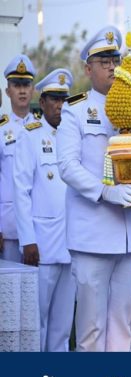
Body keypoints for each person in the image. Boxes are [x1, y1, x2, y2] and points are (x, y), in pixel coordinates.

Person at [58, 25, 131, 351]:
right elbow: (68, 166)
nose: (111, 66)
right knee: (91, 330)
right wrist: (105, 191)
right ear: (88, 67)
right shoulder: (76, 109)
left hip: (129, 233)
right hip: (93, 233)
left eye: (114, 59)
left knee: (124, 327)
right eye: (103, 60)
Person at [13, 68, 75, 351]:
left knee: (63, 325)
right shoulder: (31, 136)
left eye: (64, 99)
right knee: (37, 320)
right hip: (42, 244)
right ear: (43, 101)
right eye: (54, 99)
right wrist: (28, 239)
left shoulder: (75, 136)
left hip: (72, 243)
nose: (60, 106)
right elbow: (21, 191)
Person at [1, 54, 38, 261]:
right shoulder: (1, 130)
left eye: (26, 84)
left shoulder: (44, 130)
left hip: (41, 225)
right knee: (10, 289)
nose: (22, 90)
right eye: (16, 85)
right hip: (10, 226)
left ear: (33, 89)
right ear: (8, 91)